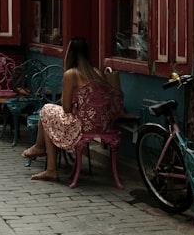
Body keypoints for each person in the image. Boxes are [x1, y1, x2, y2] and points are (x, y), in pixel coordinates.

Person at [21, 37, 123, 181]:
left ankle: (45, 158)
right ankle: (40, 150)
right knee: (49, 115)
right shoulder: (97, 73)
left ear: (70, 54)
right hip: (101, 124)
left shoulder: (71, 74)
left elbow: (67, 108)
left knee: (46, 110)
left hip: (80, 126)